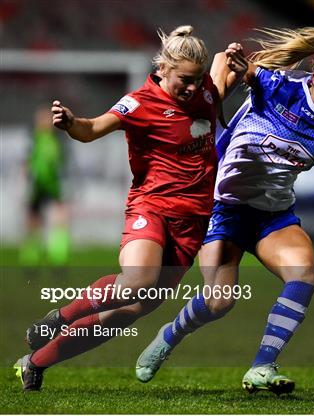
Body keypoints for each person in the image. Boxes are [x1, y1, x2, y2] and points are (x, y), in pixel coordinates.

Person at [135, 27, 314, 395]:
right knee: (219, 301)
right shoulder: (279, 87)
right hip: (222, 208)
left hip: (272, 216)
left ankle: (262, 366)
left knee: (305, 273)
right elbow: (241, 71)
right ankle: (170, 335)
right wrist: (237, 63)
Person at [14, 25, 248, 391]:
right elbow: (92, 129)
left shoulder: (204, 89)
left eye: (197, 79)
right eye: (184, 79)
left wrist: (233, 56)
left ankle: (35, 363)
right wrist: (72, 123)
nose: (192, 87)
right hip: (151, 207)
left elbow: (220, 70)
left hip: (193, 222)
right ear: (164, 69)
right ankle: (58, 318)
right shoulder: (140, 103)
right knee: (137, 281)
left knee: (132, 310)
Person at [19, 105, 71, 266]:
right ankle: (31, 257)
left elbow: (63, 164)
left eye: (46, 118)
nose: (43, 122)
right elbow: (28, 162)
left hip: (54, 185)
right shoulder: (35, 139)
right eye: (40, 118)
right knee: (34, 221)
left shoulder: (57, 140)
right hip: (37, 185)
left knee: (59, 219)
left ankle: (58, 256)